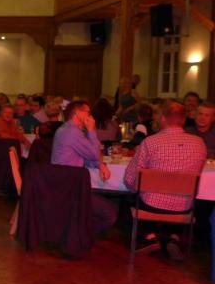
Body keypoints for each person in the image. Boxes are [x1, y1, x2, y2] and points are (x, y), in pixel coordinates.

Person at [124, 102, 206, 259]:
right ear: (183, 120)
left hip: (151, 206)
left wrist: (134, 188)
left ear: (163, 118)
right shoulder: (199, 144)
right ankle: (174, 237)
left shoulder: (150, 142)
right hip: (184, 207)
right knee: (178, 199)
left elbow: (130, 178)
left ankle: (148, 236)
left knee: (133, 197)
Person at [51, 100, 118, 234]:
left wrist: (99, 165)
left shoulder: (68, 129)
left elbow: (85, 156)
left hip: (65, 184)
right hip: (70, 188)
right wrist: (92, 130)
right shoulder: (72, 132)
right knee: (110, 214)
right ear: (78, 113)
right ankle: (77, 234)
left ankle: (76, 232)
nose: (91, 115)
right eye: (88, 112)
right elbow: (94, 154)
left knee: (111, 205)